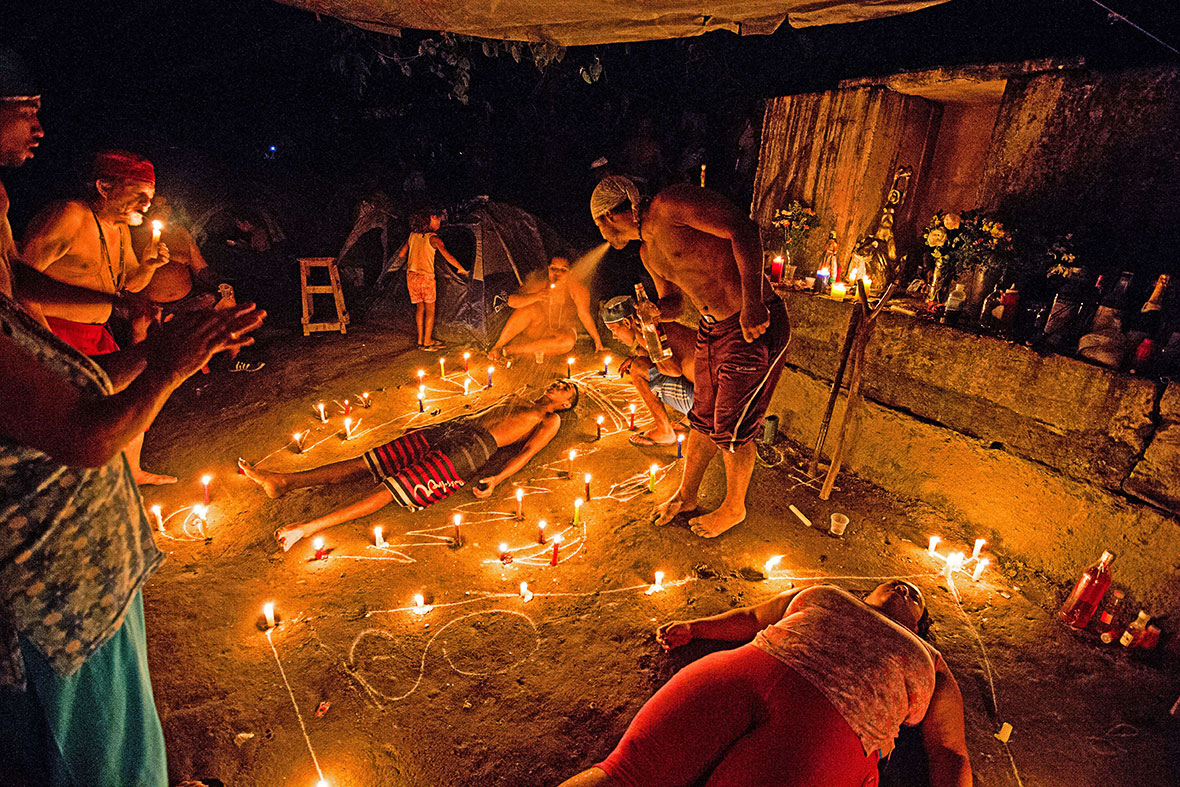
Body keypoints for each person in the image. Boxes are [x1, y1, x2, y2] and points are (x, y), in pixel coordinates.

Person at [0, 51, 268, 785]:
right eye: (24, 106)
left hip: (92, 593)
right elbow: (85, 433)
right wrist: (169, 361)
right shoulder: (59, 219)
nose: (40, 125)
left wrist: (159, 330)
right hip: (52, 614)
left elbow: (84, 381)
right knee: (88, 761)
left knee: (124, 748)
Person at [559, 581, 973, 787]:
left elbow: (951, 752)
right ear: (868, 593)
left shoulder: (929, 661)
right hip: (747, 672)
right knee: (624, 773)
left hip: (831, 729)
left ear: (920, 625)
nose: (905, 587)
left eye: (916, 596)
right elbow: (756, 617)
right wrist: (697, 627)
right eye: (898, 582)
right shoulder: (826, 593)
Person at [591, 175, 789, 538]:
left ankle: (734, 508)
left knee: (732, 427)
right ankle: (686, 495)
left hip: (751, 326)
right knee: (702, 418)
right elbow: (676, 302)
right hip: (713, 331)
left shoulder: (671, 206)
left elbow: (743, 230)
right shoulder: (648, 252)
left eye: (600, 224)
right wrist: (654, 311)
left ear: (609, 216)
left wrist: (754, 302)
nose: (603, 235)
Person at [240, 380, 579, 551]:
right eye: (560, 382)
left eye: (566, 390)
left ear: (565, 404)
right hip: (451, 431)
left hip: (472, 452)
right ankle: (285, 481)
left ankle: (308, 527)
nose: (558, 386)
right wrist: (431, 427)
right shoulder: (519, 397)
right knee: (368, 462)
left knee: (390, 488)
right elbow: (477, 414)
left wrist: (497, 479)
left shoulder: (549, 420)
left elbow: (527, 453)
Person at [20, 150, 178, 485]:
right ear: (105, 187)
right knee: (79, 418)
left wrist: (148, 265)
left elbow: (128, 284)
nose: (147, 205)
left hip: (96, 332)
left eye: (149, 197)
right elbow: (21, 281)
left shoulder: (119, 228)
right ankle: (76, 486)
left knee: (136, 394)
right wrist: (44, 344)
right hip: (56, 332)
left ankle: (133, 470)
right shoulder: (69, 215)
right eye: (140, 195)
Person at [600, 295, 696, 447]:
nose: (614, 336)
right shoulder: (657, 324)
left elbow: (673, 370)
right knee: (641, 362)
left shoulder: (649, 331)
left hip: (709, 407)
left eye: (613, 330)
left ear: (626, 322)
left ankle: (665, 431)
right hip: (719, 395)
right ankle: (690, 418)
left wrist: (637, 363)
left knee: (638, 368)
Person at [489, 255, 605, 362]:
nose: (557, 273)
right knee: (528, 309)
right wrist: (536, 296)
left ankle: (515, 350)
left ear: (570, 272)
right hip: (537, 329)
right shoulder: (540, 284)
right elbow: (512, 302)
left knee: (568, 341)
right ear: (548, 269)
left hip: (560, 331)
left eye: (563, 270)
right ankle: (498, 347)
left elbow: (584, 315)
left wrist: (597, 341)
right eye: (554, 269)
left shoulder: (577, 289)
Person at [394, 208, 468, 350]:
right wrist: (461, 268)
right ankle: (428, 342)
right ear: (432, 218)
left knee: (419, 308)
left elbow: (402, 254)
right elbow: (448, 256)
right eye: (438, 219)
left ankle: (421, 340)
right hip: (426, 278)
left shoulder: (412, 236)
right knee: (430, 310)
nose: (439, 222)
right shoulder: (434, 239)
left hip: (411, 276)